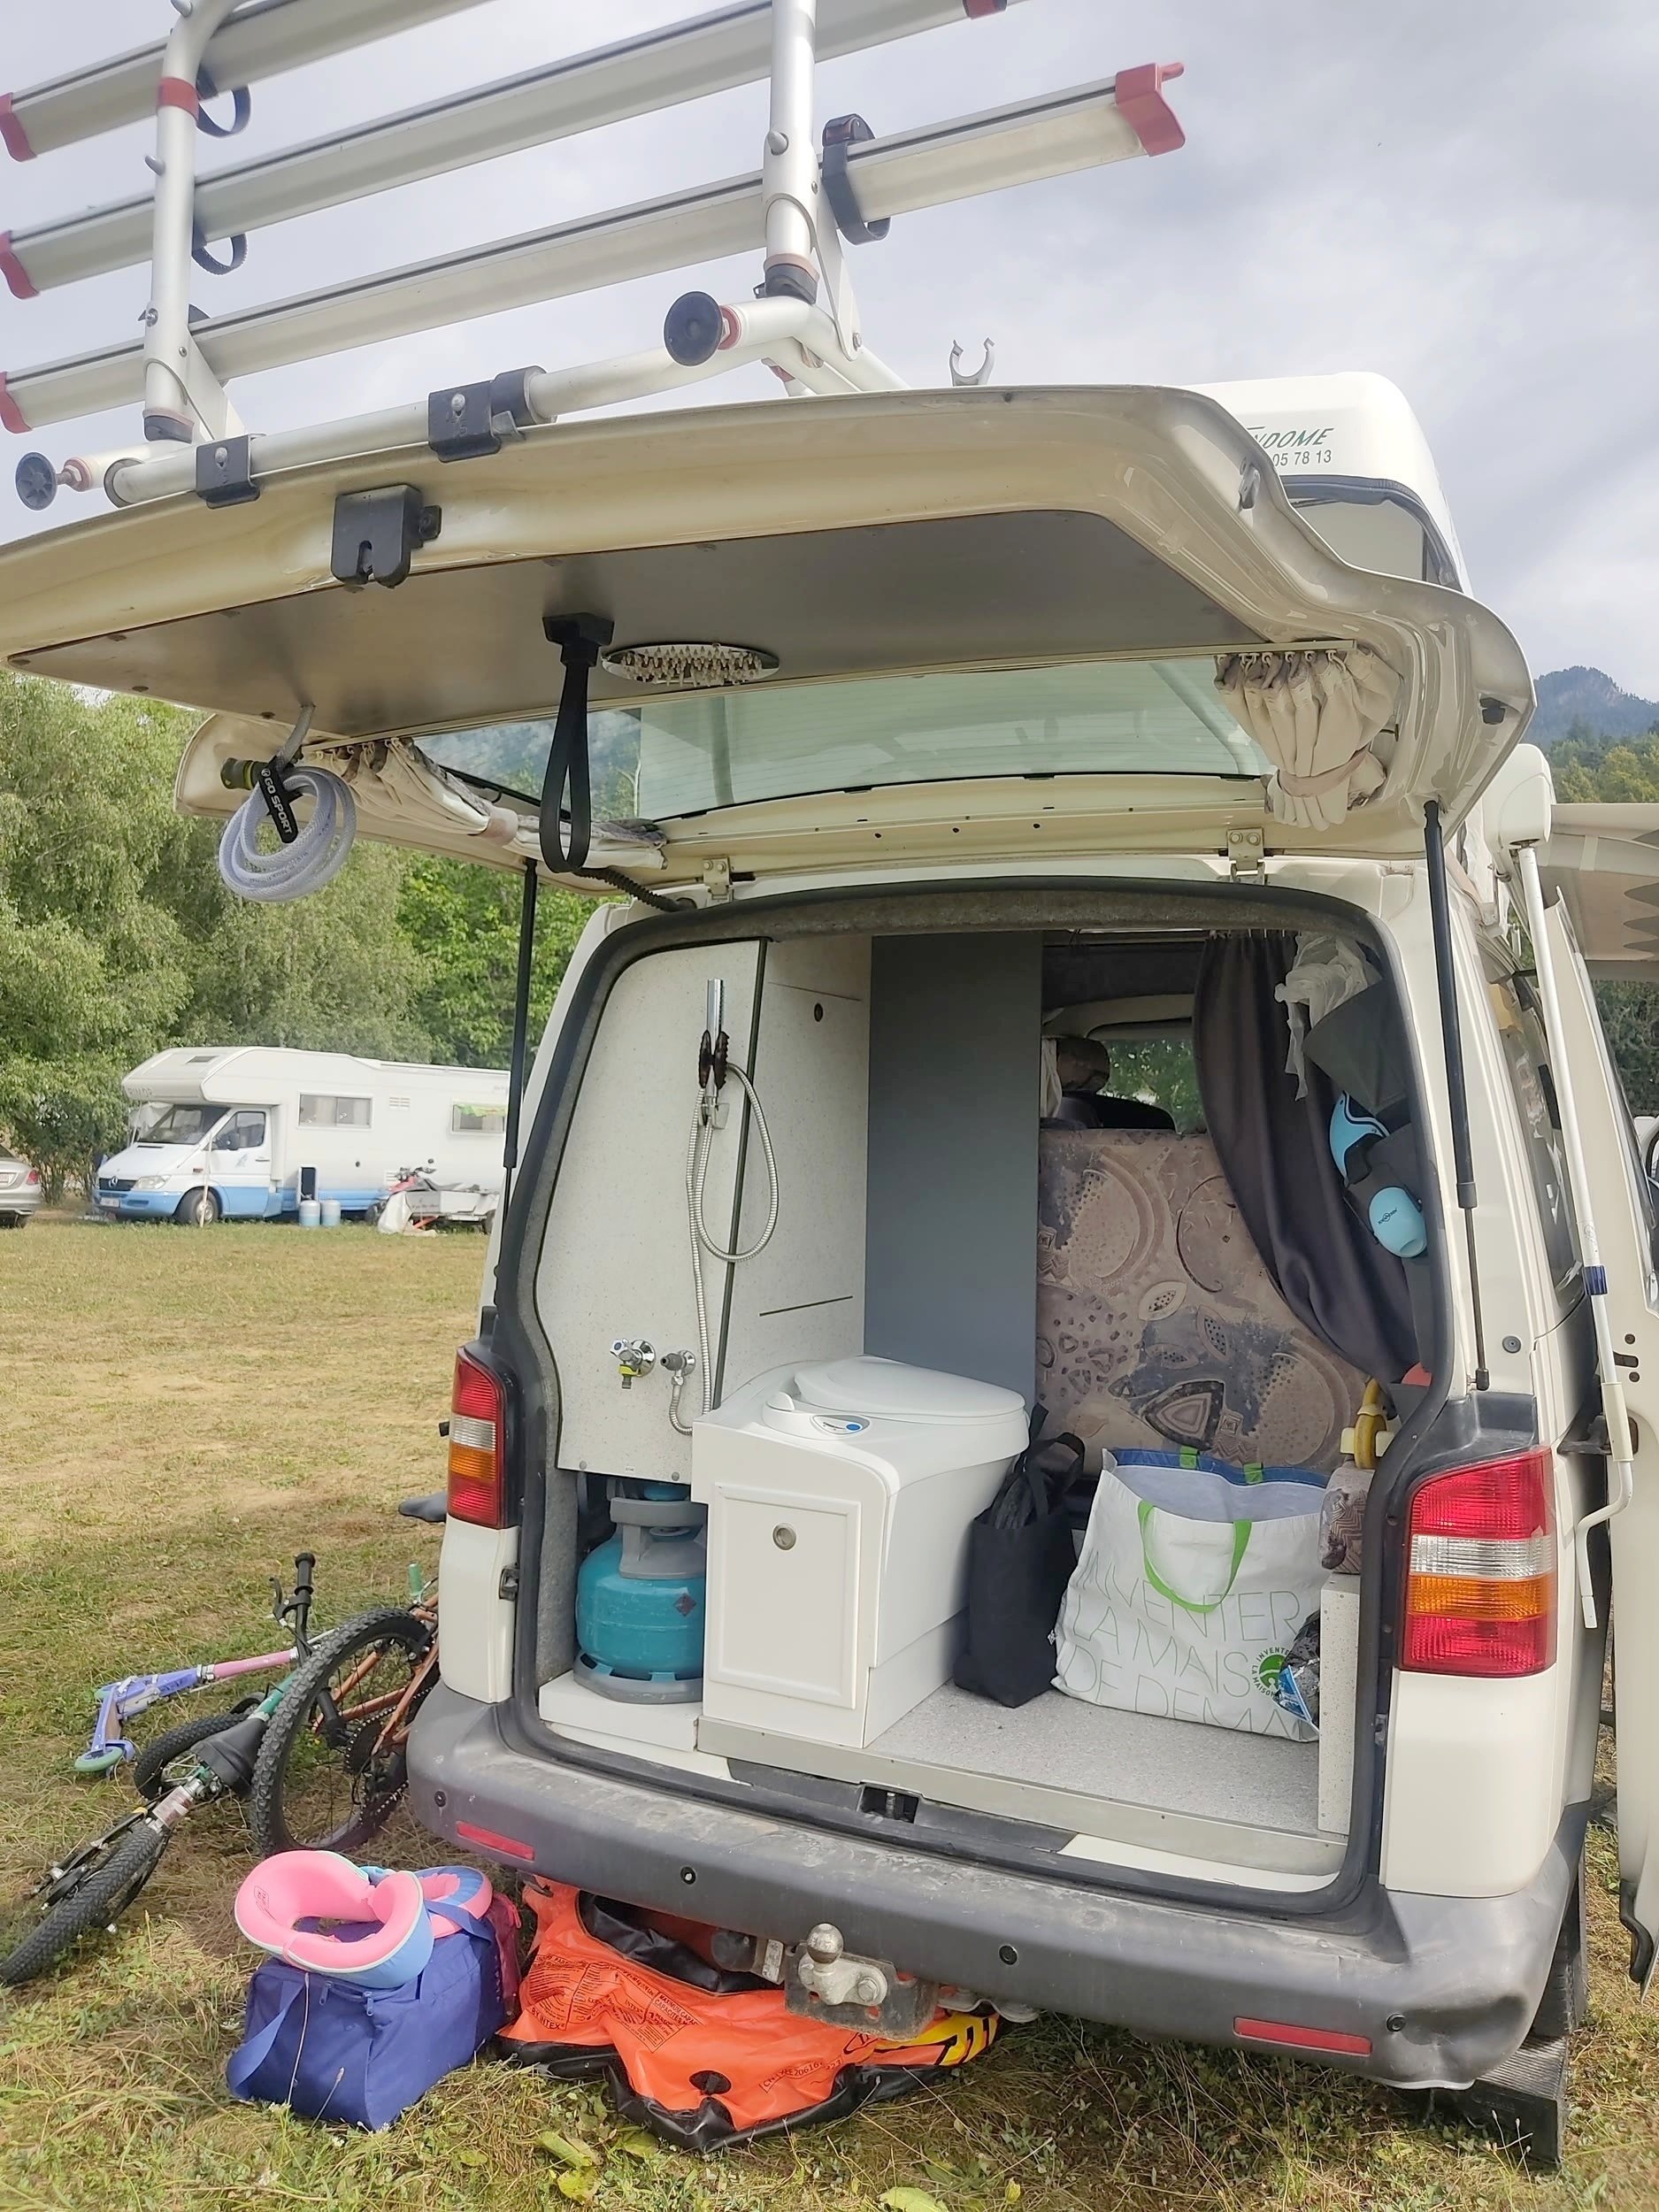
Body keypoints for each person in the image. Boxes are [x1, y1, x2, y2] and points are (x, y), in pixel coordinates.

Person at [1047, 1036, 1174, 1132]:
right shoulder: (1048, 1090)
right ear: (1081, 1064)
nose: (1071, 1087)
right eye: (1078, 1085)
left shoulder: (1040, 1047)